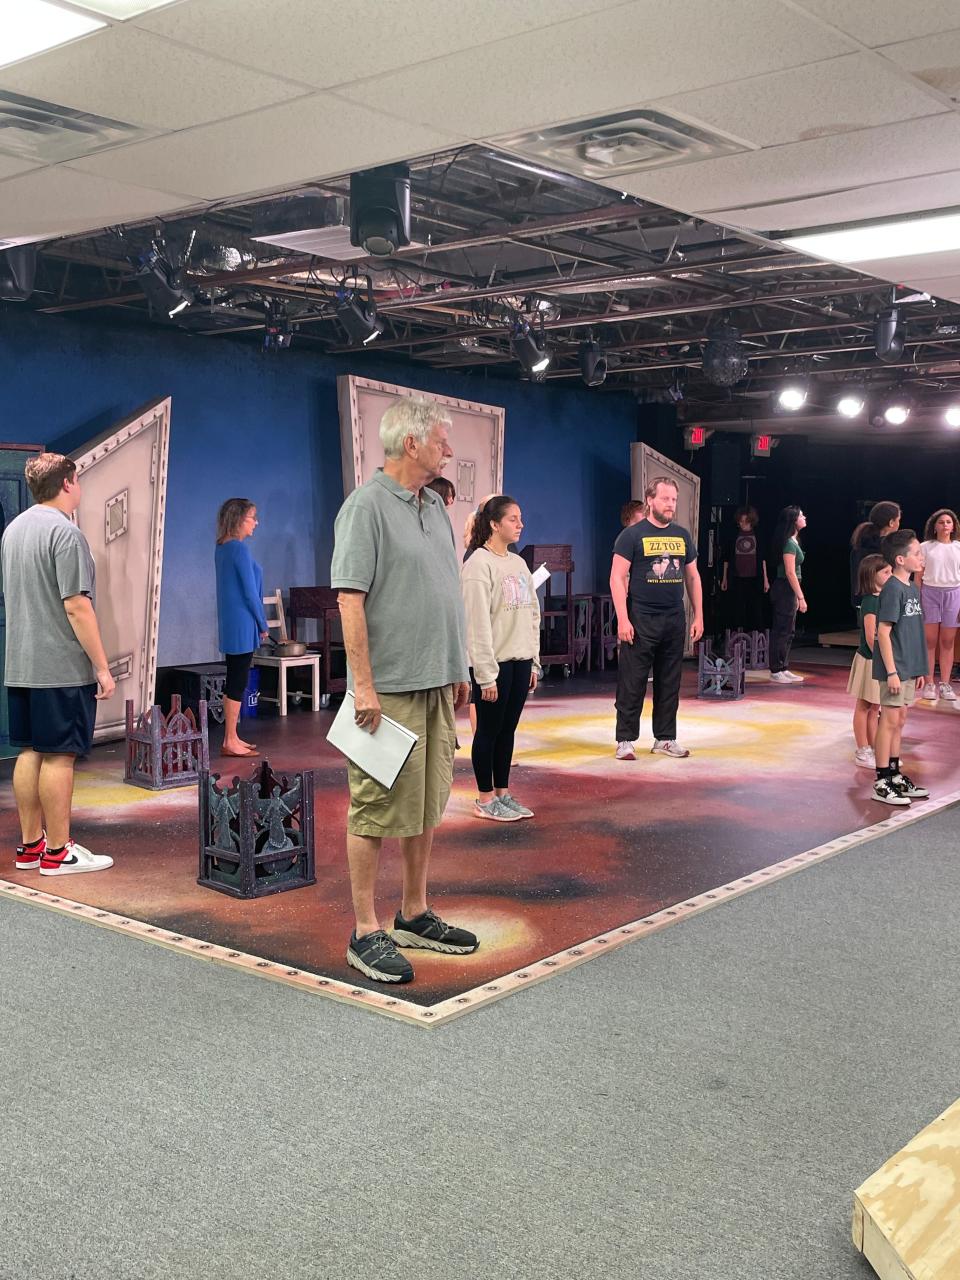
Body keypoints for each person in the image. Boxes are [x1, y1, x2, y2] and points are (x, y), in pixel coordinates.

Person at [331, 396, 477, 985]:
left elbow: (445, 589)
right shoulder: (364, 507)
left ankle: (413, 910)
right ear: (411, 443)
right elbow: (349, 600)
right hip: (386, 689)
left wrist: (459, 666)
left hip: (438, 679)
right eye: (443, 439)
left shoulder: (435, 508)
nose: (450, 449)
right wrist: (362, 685)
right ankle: (366, 931)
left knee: (425, 804)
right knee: (373, 807)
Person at [1, 452, 115, 876]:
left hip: (22, 666)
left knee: (30, 751)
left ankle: (31, 848)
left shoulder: (12, 531)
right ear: (67, 483)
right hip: (60, 667)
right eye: (78, 480)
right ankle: (58, 852)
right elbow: (76, 607)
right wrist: (102, 667)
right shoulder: (66, 535)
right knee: (60, 756)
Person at [610, 476, 703, 761]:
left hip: (674, 618)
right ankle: (625, 739)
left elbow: (692, 575)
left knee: (670, 680)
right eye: (665, 499)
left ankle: (665, 738)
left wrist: (698, 615)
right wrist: (623, 620)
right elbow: (616, 577)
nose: (670, 504)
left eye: (673, 499)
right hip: (641, 618)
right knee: (632, 681)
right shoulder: (632, 535)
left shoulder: (682, 535)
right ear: (650, 500)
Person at [461, 495, 540, 822]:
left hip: (520, 660)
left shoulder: (517, 563)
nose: (520, 524)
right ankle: (484, 797)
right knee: (488, 732)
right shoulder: (478, 564)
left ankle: (503, 793)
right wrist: (485, 674)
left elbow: (532, 612)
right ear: (494, 524)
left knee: (507, 731)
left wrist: (534, 660)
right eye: (513, 519)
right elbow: (476, 623)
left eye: (520, 518)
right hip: (493, 665)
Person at [871, 530, 929, 806]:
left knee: (900, 720)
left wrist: (918, 669)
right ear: (900, 559)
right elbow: (884, 632)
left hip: (908, 667)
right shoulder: (893, 588)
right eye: (916, 553)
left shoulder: (912, 588)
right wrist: (892, 671)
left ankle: (894, 774)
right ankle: (881, 780)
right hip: (894, 668)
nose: (921, 557)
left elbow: (913, 632)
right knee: (889, 720)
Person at [215, 498, 269, 757]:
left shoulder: (223, 548)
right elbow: (250, 593)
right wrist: (263, 623)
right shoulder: (238, 549)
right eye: (252, 518)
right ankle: (230, 739)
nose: (256, 523)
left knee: (235, 678)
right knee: (238, 679)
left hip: (233, 622)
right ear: (239, 520)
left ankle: (232, 736)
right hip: (242, 623)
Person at [847, 554, 891, 768]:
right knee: (864, 706)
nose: (890, 576)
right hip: (870, 661)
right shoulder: (871, 601)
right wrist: (884, 662)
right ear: (872, 575)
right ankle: (862, 749)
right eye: (886, 572)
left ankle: (874, 747)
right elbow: (872, 636)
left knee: (875, 707)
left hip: (879, 661)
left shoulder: (882, 598)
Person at [918, 507, 960, 703]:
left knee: (948, 641)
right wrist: (916, 598)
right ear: (934, 526)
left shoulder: (958, 548)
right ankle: (929, 683)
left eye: (948, 522)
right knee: (929, 640)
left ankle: (945, 683)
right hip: (930, 593)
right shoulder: (925, 547)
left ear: (953, 526)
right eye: (941, 522)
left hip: (953, 593)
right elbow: (918, 575)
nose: (945, 525)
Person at [768, 506, 807, 685]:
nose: (804, 517)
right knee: (782, 630)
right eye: (801, 516)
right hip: (785, 588)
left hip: (789, 588)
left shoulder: (794, 540)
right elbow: (790, 573)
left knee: (789, 630)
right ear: (793, 521)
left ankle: (783, 666)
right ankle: (776, 669)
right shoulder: (789, 543)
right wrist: (801, 597)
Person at [720, 506, 769, 632]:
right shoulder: (733, 535)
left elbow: (762, 559)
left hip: (754, 577)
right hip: (737, 577)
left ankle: (756, 638)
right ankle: (737, 638)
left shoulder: (758, 535)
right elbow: (726, 558)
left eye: (746, 521)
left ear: (751, 521)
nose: (743, 524)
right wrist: (724, 578)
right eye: (741, 521)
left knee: (755, 609)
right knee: (737, 609)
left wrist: (766, 579)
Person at [850, 501, 901, 608]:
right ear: (891, 522)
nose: (899, 524)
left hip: (863, 602)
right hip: (884, 602)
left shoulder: (860, 543)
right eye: (898, 520)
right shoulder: (889, 548)